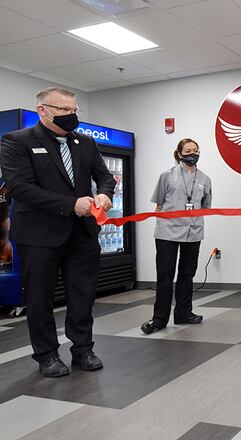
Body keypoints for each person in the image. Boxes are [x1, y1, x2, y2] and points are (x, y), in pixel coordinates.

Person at [0, 87, 115, 377]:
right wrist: (71, 204)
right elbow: (21, 188)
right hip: (39, 234)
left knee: (83, 294)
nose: (72, 115)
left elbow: (104, 176)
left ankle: (83, 349)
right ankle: (47, 355)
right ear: (43, 110)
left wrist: (103, 194)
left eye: (75, 110)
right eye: (65, 110)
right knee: (40, 298)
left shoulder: (85, 143)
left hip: (82, 233)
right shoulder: (17, 141)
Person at [140, 138, 212, 334]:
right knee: (165, 275)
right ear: (179, 153)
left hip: (193, 231)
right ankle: (159, 319)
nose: (192, 154)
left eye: (195, 150)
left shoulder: (205, 179)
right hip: (167, 233)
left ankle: (183, 313)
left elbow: (206, 207)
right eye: (188, 150)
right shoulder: (166, 176)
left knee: (187, 274)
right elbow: (158, 205)